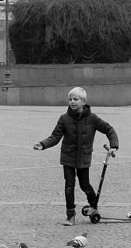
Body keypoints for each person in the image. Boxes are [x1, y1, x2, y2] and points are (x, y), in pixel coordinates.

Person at [32, 87, 118, 225]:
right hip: (68, 157)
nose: (72, 102)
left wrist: (113, 146)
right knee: (69, 186)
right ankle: (70, 215)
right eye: (70, 99)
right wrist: (42, 144)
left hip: (83, 157)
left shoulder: (92, 118)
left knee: (85, 185)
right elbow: (55, 136)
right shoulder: (64, 118)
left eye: (75, 99)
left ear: (83, 101)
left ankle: (93, 208)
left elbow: (109, 129)